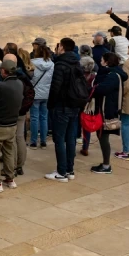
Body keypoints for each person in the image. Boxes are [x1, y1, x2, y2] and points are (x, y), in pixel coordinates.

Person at [45, 38, 84, 183]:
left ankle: (61, 172)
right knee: (71, 138)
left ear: (62, 47)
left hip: (62, 107)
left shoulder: (60, 65)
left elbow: (55, 88)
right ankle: (70, 170)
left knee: (59, 139)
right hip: (74, 105)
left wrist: (51, 105)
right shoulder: (76, 62)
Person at [0, 59, 23, 191]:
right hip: (13, 124)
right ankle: (10, 179)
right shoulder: (20, 84)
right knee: (9, 152)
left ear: (3, 71)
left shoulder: (1, 87)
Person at [90, 53, 128, 174]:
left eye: (102, 59)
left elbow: (101, 89)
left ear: (106, 62)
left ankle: (106, 165)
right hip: (107, 108)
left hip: (107, 111)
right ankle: (105, 164)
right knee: (102, 137)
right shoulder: (113, 74)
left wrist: (95, 87)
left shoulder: (112, 76)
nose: (100, 61)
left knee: (103, 137)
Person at [30, 45, 54, 150]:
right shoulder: (52, 64)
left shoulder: (32, 63)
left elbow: (31, 78)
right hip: (46, 94)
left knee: (34, 118)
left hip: (35, 93)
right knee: (44, 117)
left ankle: (33, 142)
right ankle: (43, 142)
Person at [15, 48, 33, 174]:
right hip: (22, 110)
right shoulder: (28, 74)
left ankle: (13, 165)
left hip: (14, 111)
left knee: (12, 139)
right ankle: (20, 164)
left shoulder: (17, 77)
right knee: (20, 137)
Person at [79, 56, 97, 156]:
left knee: (76, 125)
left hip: (79, 101)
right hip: (89, 103)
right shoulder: (94, 77)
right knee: (86, 125)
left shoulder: (79, 76)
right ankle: (85, 147)